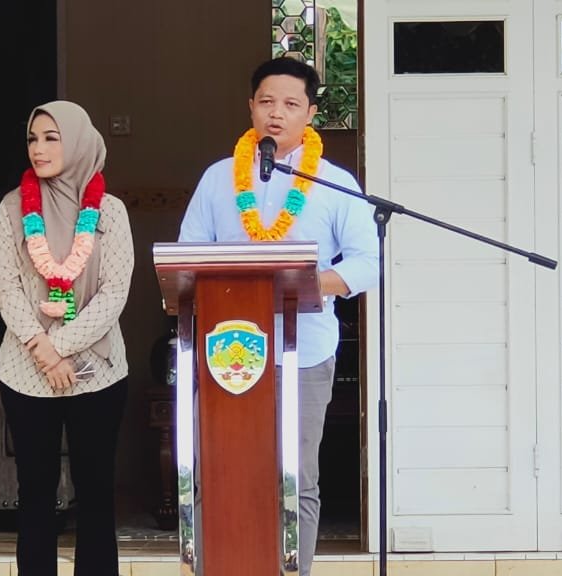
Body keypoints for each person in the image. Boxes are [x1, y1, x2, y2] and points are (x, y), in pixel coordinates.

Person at [178, 57, 379, 576]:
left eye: (290, 104)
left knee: (295, 476)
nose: (276, 113)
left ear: (310, 113)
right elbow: (187, 256)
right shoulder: (218, 179)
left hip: (304, 351)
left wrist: (310, 283)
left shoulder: (334, 183)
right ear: (250, 106)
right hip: (228, 351)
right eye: (266, 101)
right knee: (219, 471)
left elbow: (366, 262)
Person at [0, 100, 134, 576]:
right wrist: (43, 349)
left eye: (52, 138)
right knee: (35, 494)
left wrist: (61, 346)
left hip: (98, 374)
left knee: (95, 494)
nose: (39, 148)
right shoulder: (12, 208)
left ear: (77, 143)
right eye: (33, 138)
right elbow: (5, 286)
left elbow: (114, 293)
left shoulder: (109, 211)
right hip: (25, 373)